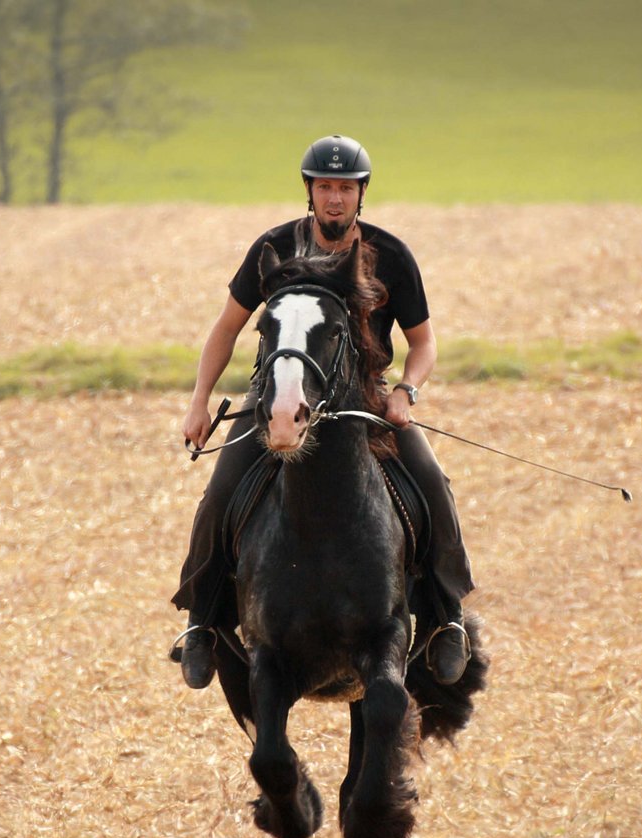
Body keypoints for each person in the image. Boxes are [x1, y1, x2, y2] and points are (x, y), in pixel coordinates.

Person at [173, 135, 475, 688]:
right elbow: (226, 328)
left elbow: (424, 343)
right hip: (280, 392)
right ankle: (200, 623)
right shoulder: (275, 246)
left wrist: (406, 391)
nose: (335, 198)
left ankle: (447, 618)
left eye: (346, 188)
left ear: (362, 194)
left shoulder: (392, 256)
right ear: (309, 192)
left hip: (366, 399)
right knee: (220, 493)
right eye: (325, 187)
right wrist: (198, 401)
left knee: (431, 481)